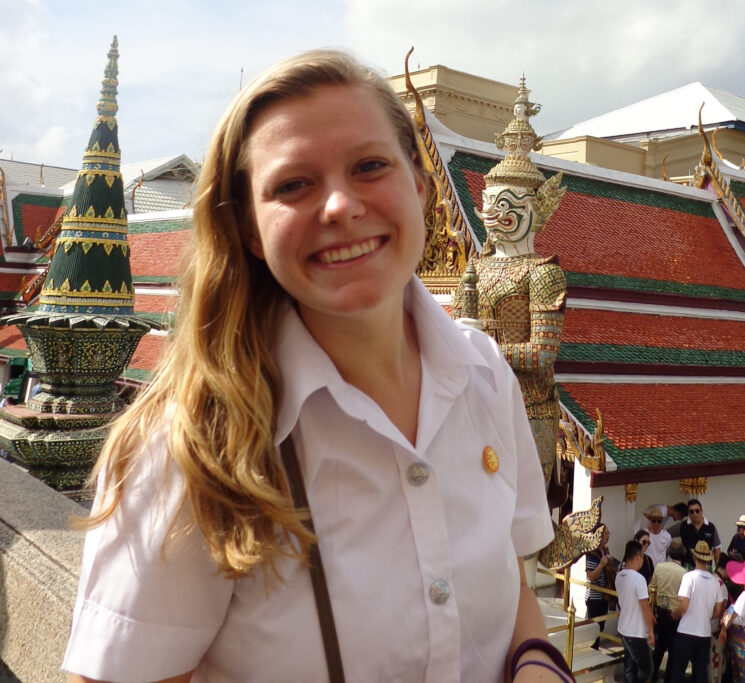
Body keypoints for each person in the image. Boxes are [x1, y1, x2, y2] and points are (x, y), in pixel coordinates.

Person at [61, 50, 559, 683]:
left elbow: (509, 581)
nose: (340, 206)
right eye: (293, 185)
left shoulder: (485, 376)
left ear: (423, 184)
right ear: (247, 228)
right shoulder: (192, 446)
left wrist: (541, 667)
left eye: (370, 166)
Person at [669, 540, 727, 683]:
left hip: (686, 631)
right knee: (700, 673)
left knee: (677, 672)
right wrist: (707, 615)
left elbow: (683, 606)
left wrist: (673, 614)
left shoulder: (689, 577)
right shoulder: (715, 582)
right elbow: (719, 609)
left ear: (694, 558)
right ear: (708, 560)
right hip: (704, 633)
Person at [616, 540, 656, 683]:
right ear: (638, 556)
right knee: (646, 669)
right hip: (635, 632)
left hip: (624, 627)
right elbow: (645, 606)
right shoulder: (639, 579)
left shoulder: (619, 575)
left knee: (629, 667)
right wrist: (650, 630)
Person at [648, 540, 687, 681]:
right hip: (675, 614)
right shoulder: (684, 573)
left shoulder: (659, 567)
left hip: (660, 611)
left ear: (668, 553)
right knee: (673, 650)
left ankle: (651, 676)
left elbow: (652, 587)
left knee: (658, 649)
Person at [586, 525, 619, 649]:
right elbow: (591, 577)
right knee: (593, 629)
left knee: (601, 626)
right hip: (594, 597)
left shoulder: (606, 551)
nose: (607, 536)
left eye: (608, 533)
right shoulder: (591, 553)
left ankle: (596, 649)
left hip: (604, 596)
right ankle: (592, 652)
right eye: (605, 533)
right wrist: (601, 565)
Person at [680, 498, 722, 568]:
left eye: (697, 511)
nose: (695, 514)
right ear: (688, 514)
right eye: (692, 512)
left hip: (706, 566)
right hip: (687, 566)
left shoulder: (711, 527)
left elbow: (717, 548)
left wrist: (717, 568)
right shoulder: (683, 526)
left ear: (702, 511)